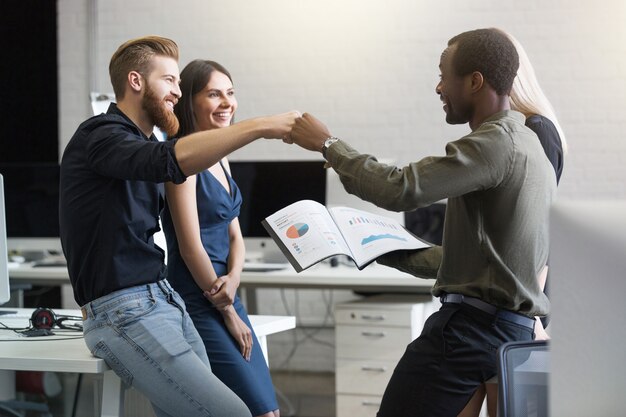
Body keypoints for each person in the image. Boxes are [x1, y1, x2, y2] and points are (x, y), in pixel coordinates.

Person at [286, 28, 556, 417]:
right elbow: (480, 268)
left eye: (444, 74)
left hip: (467, 331)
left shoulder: (494, 145)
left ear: (475, 81)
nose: (438, 86)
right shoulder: (529, 146)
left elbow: (400, 188)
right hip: (506, 333)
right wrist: (376, 245)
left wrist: (328, 145)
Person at [59, 36, 299, 417]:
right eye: (169, 80)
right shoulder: (101, 136)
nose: (177, 91)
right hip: (125, 310)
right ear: (136, 82)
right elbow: (167, 161)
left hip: (163, 299)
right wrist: (260, 126)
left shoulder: (139, 141)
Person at [458, 28, 568, 417]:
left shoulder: (535, 132)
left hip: (516, 306)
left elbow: (535, 231)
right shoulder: (509, 134)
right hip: (498, 305)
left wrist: (532, 318)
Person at [161, 59, 279, 417]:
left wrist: (235, 279)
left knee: (268, 410)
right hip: (199, 299)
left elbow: (234, 232)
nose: (227, 102)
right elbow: (189, 245)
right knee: (253, 411)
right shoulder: (181, 159)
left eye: (230, 93)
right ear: (190, 102)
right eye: (214, 94)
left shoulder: (220, 157)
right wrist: (225, 307)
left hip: (227, 292)